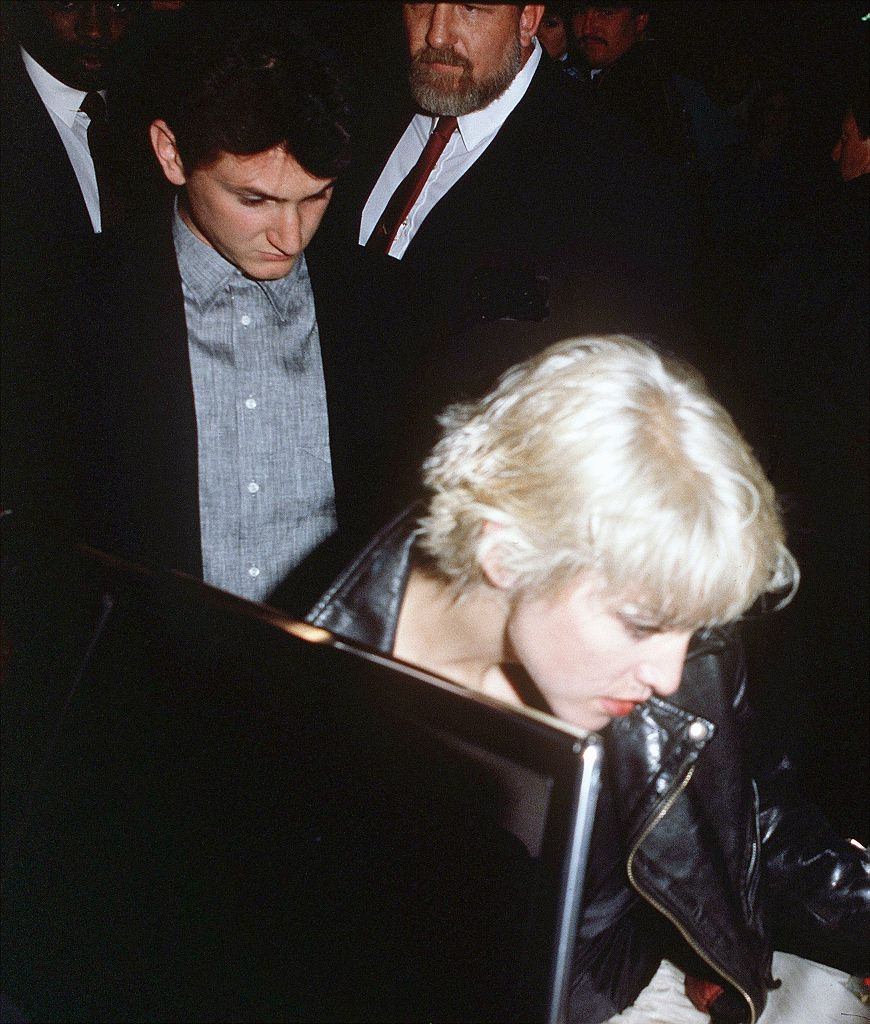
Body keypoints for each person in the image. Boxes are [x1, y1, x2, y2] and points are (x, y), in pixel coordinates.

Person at [307, 335, 869, 1023]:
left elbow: (753, 818)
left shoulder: (660, 600)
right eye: (640, 625)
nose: (669, 675)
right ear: (507, 553)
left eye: (694, 632)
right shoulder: (300, 707)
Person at [2, 12, 360, 608]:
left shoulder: (376, 307)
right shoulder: (69, 307)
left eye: (316, 195)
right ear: (171, 154)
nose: (291, 237)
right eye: (255, 199)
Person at [319, 1, 692, 521]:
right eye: (421, 2)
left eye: (472, 8)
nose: (438, 33)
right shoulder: (362, 102)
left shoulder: (608, 172)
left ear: (528, 18)